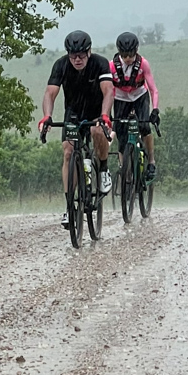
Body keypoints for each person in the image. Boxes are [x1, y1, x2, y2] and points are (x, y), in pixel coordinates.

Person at [38, 30, 115, 229]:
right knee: (68, 152)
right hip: (73, 113)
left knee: (97, 132)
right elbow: (50, 93)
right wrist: (47, 116)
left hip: (97, 111)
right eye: (73, 55)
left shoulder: (100, 63)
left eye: (81, 55)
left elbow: (108, 91)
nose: (77, 59)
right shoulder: (61, 65)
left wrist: (105, 115)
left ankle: (104, 168)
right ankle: (69, 206)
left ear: (89, 52)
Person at [110, 32, 161, 181]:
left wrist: (155, 109)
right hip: (120, 98)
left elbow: (153, 89)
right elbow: (108, 90)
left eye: (131, 55)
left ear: (136, 51)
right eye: (124, 55)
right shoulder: (112, 66)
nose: (128, 59)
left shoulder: (143, 64)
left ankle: (151, 161)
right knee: (120, 131)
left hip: (139, 96)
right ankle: (123, 167)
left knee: (145, 126)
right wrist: (106, 113)